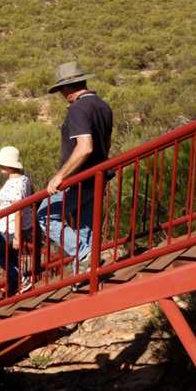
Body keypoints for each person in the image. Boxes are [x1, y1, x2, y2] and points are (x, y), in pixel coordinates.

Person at [38, 61, 113, 273]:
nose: (62, 95)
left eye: (61, 90)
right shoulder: (102, 106)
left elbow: (85, 147)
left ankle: (83, 253)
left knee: (45, 215)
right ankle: (85, 275)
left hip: (77, 180)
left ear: (68, 87)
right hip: (97, 177)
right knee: (84, 227)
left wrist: (60, 176)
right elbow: (104, 144)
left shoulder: (78, 109)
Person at [0, 146, 36, 295]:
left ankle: (22, 279)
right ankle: (13, 285)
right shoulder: (24, 179)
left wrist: (17, 236)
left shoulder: (15, 184)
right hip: (16, 226)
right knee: (10, 257)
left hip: (10, 228)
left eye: (2, 163)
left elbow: (18, 211)